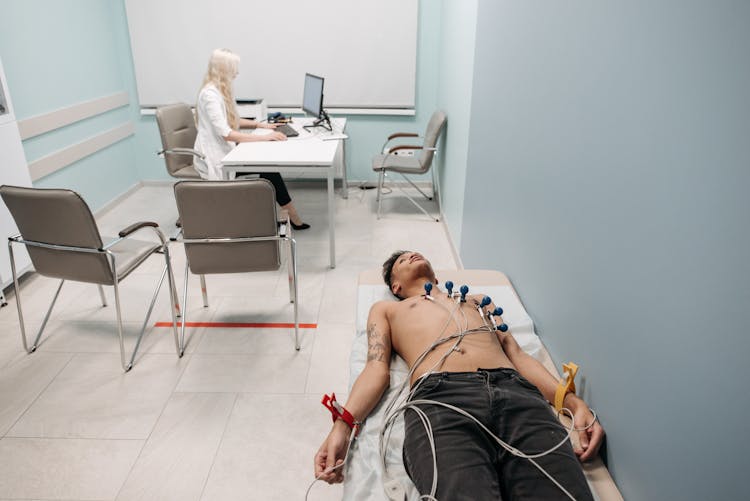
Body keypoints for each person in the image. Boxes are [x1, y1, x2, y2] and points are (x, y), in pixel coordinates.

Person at [314, 251, 605, 500]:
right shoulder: (389, 309)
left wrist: (572, 403)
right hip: (441, 401)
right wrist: (342, 426)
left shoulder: (478, 302)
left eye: (416, 252)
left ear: (438, 278)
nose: (413, 254)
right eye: (403, 259)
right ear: (396, 285)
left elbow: (517, 356)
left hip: (516, 394)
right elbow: (376, 369)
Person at [194, 48, 310, 230]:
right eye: (234, 69)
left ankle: (286, 215)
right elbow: (226, 133)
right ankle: (292, 216)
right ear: (224, 70)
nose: (237, 73)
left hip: (226, 150)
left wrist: (261, 126)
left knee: (267, 168)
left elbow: (231, 120)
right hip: (215, 157)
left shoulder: (219, 91)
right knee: (268, 170)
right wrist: (266, 138)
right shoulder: (210, 95)